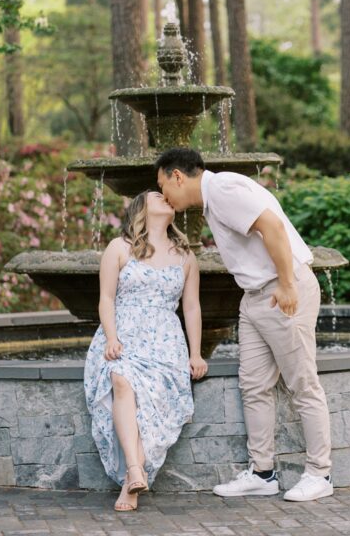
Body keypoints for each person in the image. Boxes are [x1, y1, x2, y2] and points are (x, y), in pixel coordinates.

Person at [155, 147, 333, 502]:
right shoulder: (215, 197)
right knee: (253, 385)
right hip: (254, 297)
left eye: (163, 186)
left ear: (178, 176)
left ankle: (320, 474)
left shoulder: (222, 190)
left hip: (279, 291)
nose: (164, 196)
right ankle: (263, 473)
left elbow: (273, 227)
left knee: (303, 383)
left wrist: (286, 285)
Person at [83, 190, 208, 512]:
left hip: (165, 340)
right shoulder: (119, 248)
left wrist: (196, 353)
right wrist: (111, 337)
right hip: (123, 333)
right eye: (156, 195)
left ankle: (131, 481)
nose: (165, 197)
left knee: (150, 407)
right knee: (121, 379)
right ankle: (135, 470)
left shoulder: (185, 255)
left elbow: (191, 308)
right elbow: (106, 298)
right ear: (141, 209)